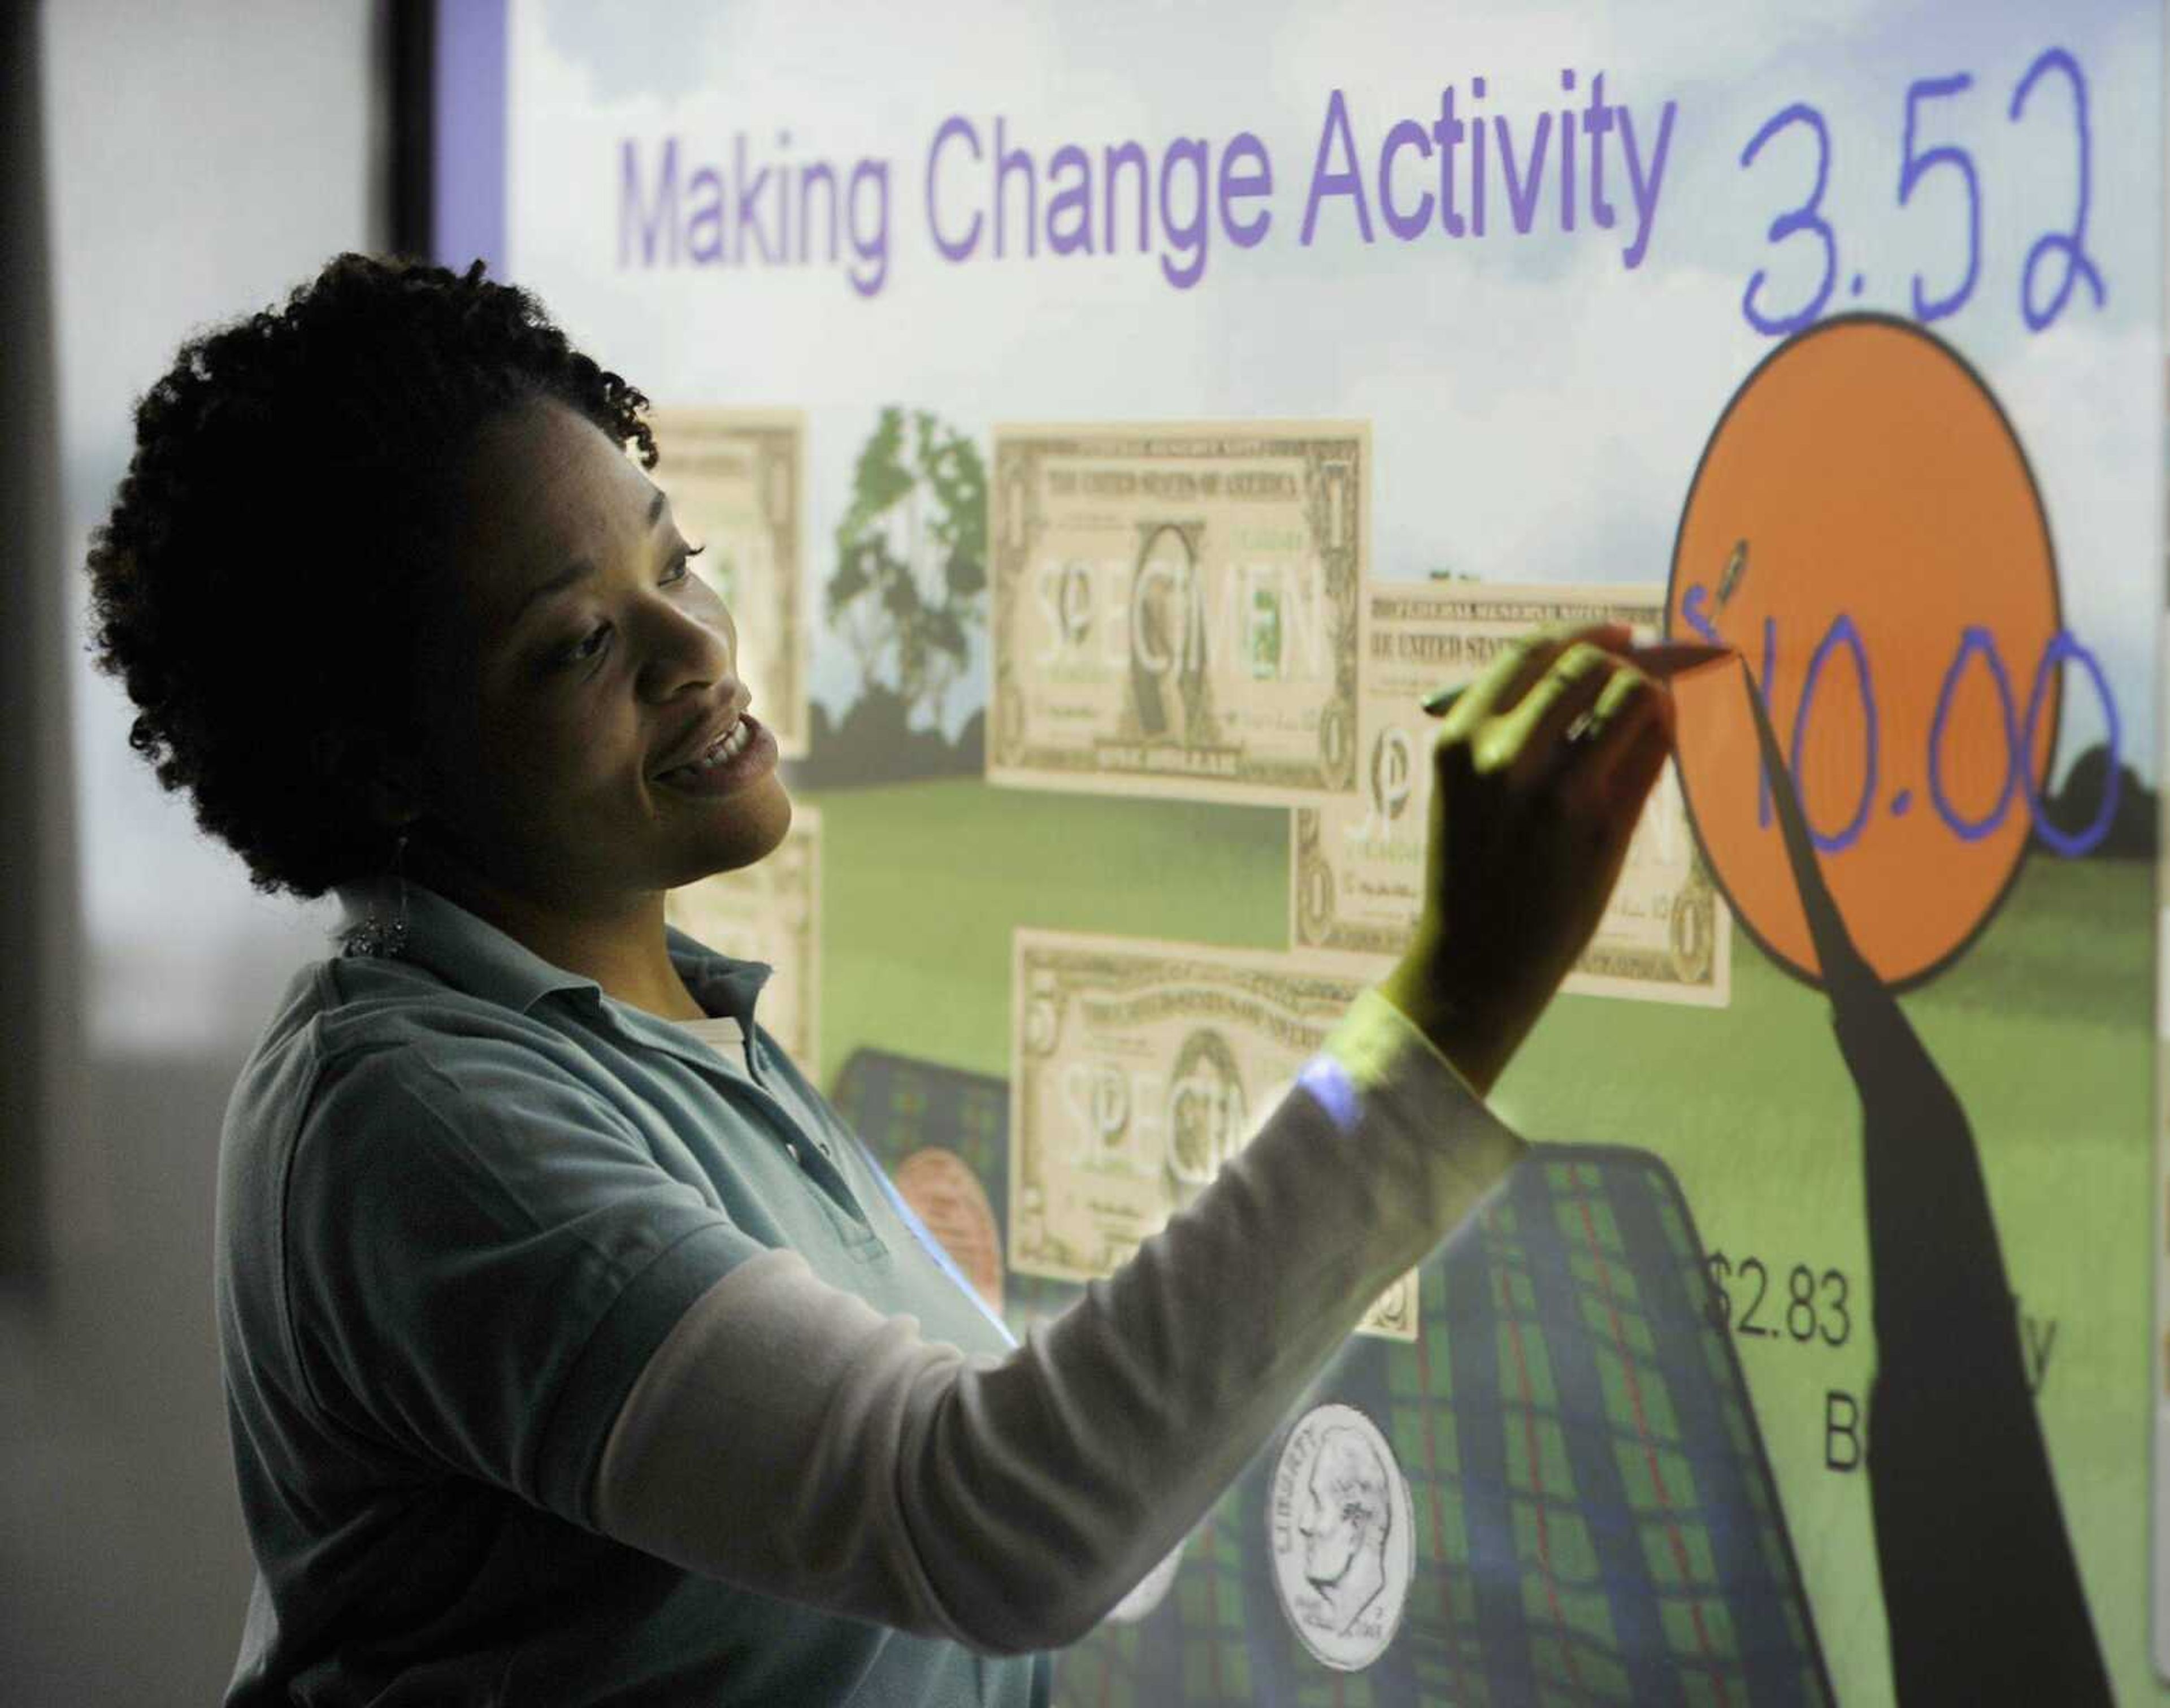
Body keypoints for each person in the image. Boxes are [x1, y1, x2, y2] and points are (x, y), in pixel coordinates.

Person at [81, 252, 1677, 1706]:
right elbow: (1009, 1535)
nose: (693, 646)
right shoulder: (421, 1122)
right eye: (577, 645)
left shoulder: (666, 1020)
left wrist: (982, 1346)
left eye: (676, 563)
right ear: (378, 759)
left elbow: (1005, 1525)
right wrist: (1454, 1000)